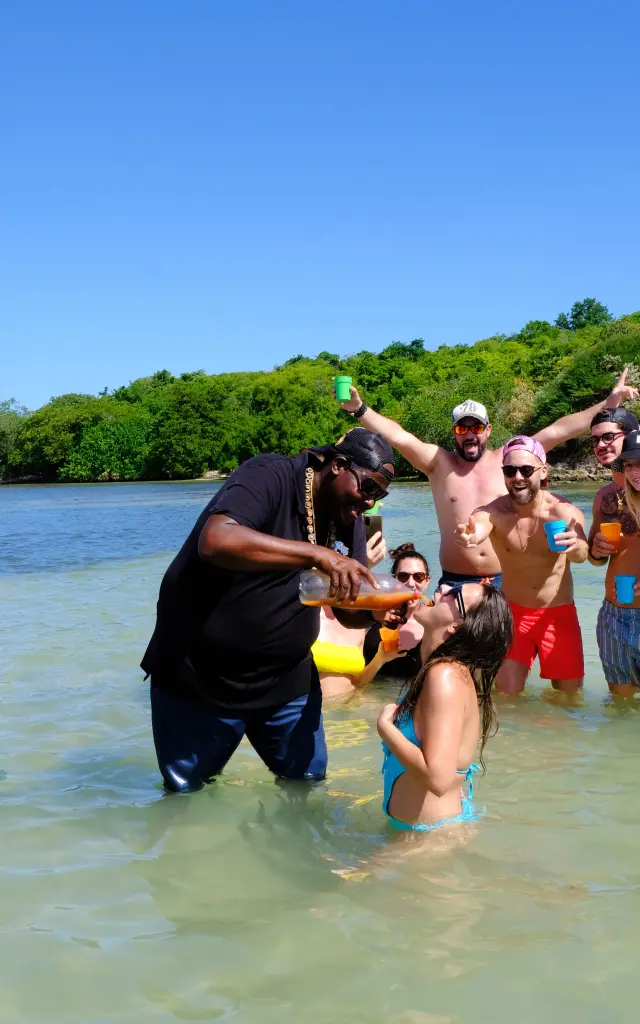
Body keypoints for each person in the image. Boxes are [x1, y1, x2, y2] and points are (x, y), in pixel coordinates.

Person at [142, 428, 396, 793]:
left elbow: (345, 610)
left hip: (287, 680)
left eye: (379, 495)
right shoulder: (269, 475)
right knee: (186, 795)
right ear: (339, 466)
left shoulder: (349, 516)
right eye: (368, 487)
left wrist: (377, 613)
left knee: (307, 788)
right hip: (200, 677)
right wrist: (317, 554)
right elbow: (216, 540)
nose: (370, 502)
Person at [339, 370, 637, 587]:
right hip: (454, 582)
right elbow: (399, 436)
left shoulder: (510, 460)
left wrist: (608, 404)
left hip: (504, 582)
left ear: (488, 430)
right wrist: (360, 409)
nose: (470, 434)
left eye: (477, 428)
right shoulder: (438, 464)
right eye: (462, 429)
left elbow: (560, 430)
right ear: (454, 433)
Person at [455, 436, 589, 694]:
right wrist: (470, 536)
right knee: (506, 696)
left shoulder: (561, 511)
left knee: (568, 700)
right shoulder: (493, 512)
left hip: (558, 617)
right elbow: (479, 526)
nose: (518, 477)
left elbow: (582, 553)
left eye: (526, 470)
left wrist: (574, 546)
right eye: (510, 470)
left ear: (543, 471)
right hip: (512, 615)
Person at [376, 582, 512, 831]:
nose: (442, 589)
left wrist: (385, 727)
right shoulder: (446, 672)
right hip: (428, 830)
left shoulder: (445, 676)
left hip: (428, 838)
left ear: (457, 626)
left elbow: (438, 780)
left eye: (454, 593)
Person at [589, 429, 640, 695]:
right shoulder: (611, 499)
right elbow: (594, 559)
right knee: (620, 707)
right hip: (614, 618)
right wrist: (596, 551)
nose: (634, 471)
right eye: (629, 464)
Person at [362, 542, 430, 682]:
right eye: (404, 576)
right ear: (394, 579)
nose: (411, 583)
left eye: (418, 576)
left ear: (427, 581)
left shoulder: (435, 623)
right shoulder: (372, 616)